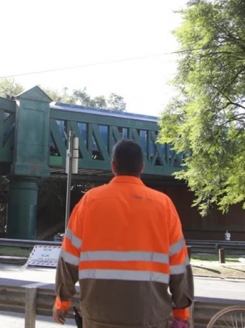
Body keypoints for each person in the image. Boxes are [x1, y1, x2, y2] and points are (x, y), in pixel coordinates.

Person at [53, 139, 193, 328]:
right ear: (142, 167)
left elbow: (68, 258)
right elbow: (179, 265)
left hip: (98, 316)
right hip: (149, 316)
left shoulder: (89, 202)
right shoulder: (164, 205)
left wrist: (62, 302)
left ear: (113, 166)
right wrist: (181, 312)